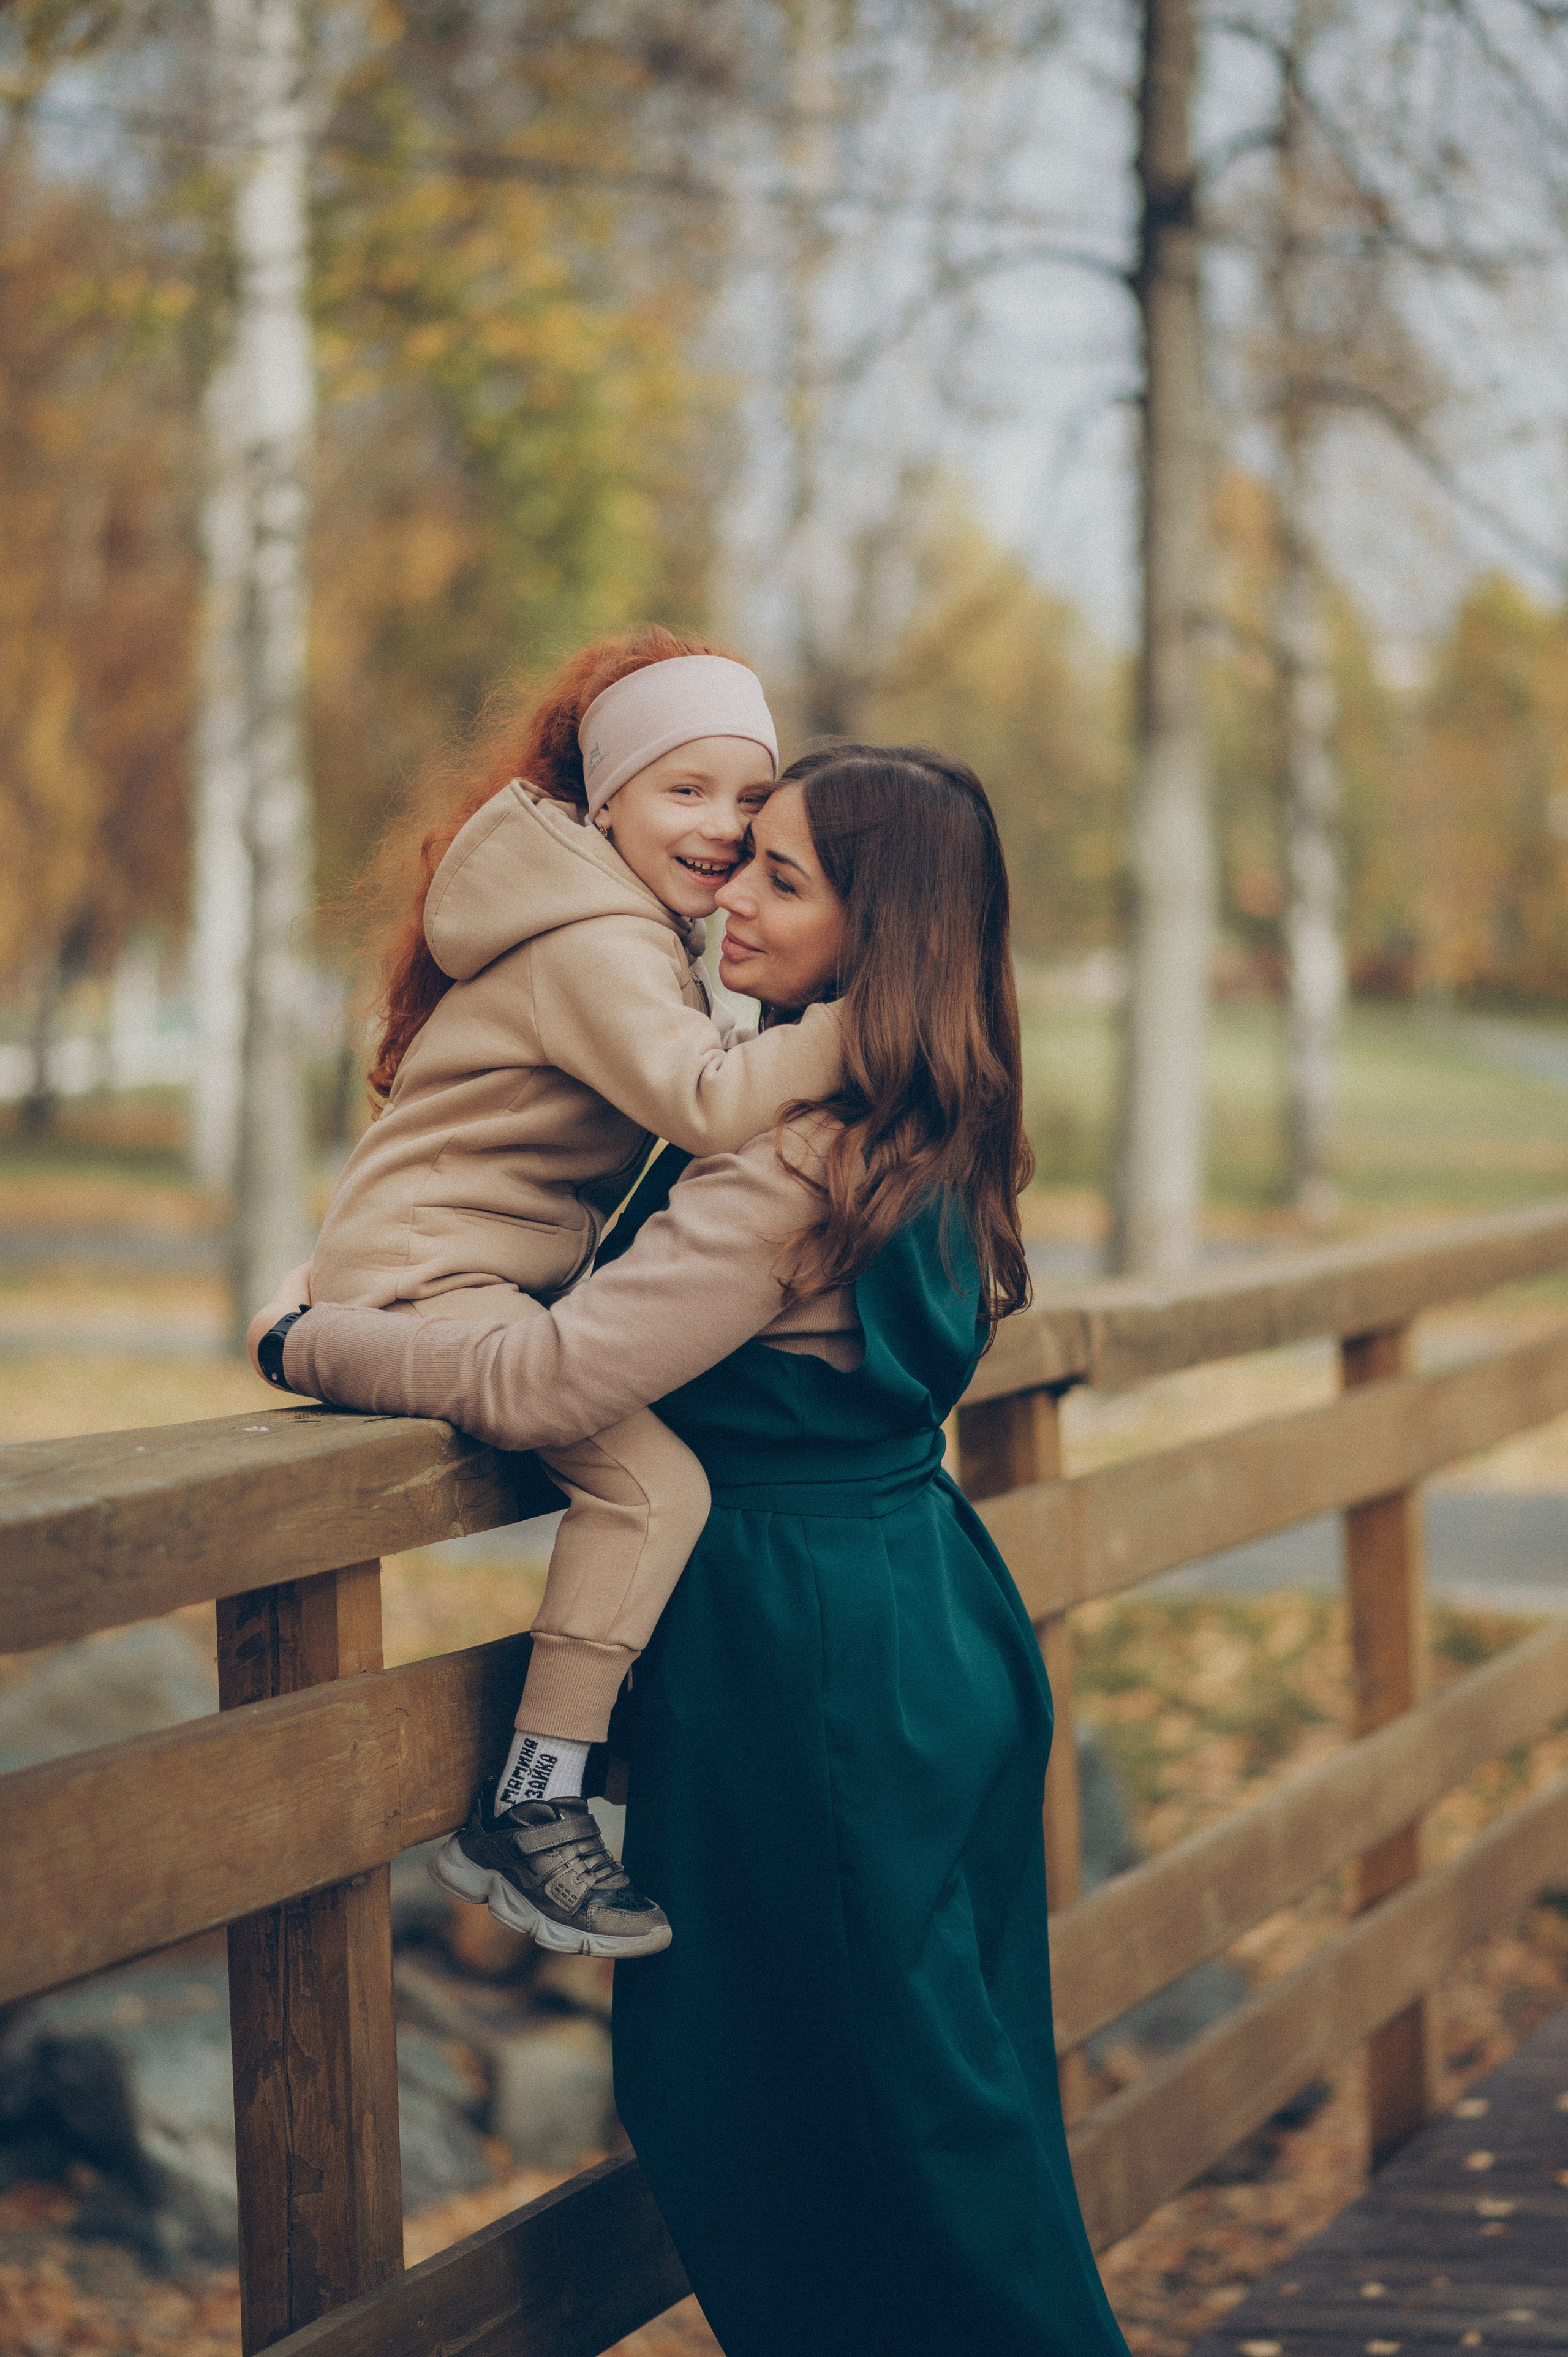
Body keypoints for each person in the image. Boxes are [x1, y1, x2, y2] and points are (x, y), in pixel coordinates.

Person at [263, 744, 1134, 2357]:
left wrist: (317, 1344)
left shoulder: (790, 1165)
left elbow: (551, 1381)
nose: (726, 888)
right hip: (927, 1624)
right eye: (738, 853)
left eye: (781, 876)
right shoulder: (928, 1113)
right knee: (950, 2101)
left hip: (809, 1671)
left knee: (833, 2135)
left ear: (883, 936)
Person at [250, 626, 840, 1961]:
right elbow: (702, 1102)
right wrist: (864, 1022)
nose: (723, 826)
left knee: (664, 1470)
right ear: (607, 795)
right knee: (655, 1488)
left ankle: (577, 1754)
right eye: (684, 790)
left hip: (470, 1269)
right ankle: (531, 1806)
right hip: (427, 1278)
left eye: (751, 800)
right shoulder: (597, 940)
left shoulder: (616, 921)